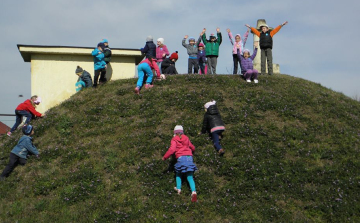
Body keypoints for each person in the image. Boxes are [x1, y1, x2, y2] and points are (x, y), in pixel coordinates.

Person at [162, 125, 198, 202]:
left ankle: (178, 188)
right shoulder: (186, 138)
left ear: (174, 133)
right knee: (190, 176)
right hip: (189, 157)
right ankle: (194, 191)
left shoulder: (174, 139)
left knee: (178, 173)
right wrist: (193, 150)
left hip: (181, 158)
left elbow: (172, 149)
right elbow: (191, 146)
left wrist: (165, 157)